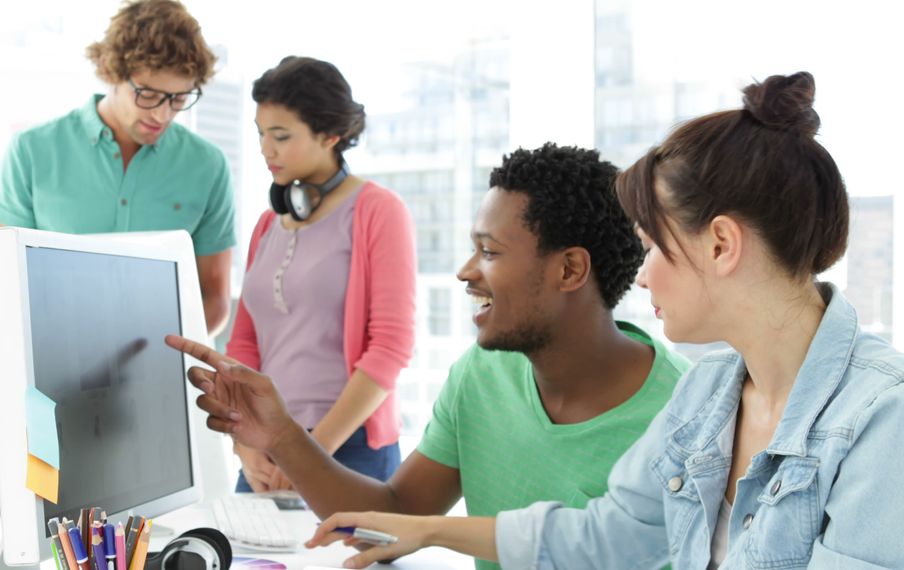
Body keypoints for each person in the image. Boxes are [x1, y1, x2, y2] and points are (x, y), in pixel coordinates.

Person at [307, 72, 904, 569]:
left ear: (720, 245)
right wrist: (431, 533)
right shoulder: (709, 393)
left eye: (653, 247)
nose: (641, 275)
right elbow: (607, 534)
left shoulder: (882, 416)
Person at [168, 143, 691, 570]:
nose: (466, 272)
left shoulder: (684, 415)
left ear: (571, 271)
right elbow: (397, 514)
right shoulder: (483, 373)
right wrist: (282, 437)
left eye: (489, 252)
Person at [0, 0, 235, 334]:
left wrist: (165, 353)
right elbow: (0, 285)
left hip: (164, 370)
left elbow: (215, 296)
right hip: (55, 366)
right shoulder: (31, 151)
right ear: (111, 71)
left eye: (177, 99)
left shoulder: (207, 166)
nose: (161, 115)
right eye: (147, 94)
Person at [226, 56, 416, 492]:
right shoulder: (265, 225)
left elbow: (391, 347)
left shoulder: (379, 212)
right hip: (265, 452)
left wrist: (310, 453)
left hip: (349, 452)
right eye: (260, 133)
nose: (265, 149)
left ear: (330, 136)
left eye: (281, 136)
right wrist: (244, 442)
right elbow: (243, 345)